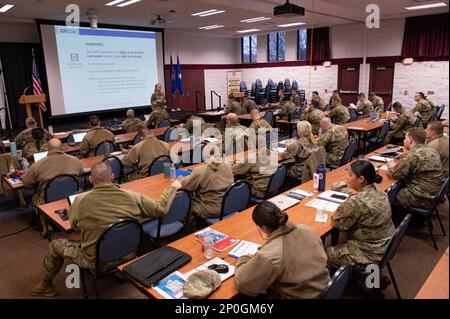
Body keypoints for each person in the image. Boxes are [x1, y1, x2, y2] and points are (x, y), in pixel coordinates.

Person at [30, 161, 181, 297]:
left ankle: (45, 285)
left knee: (55, 245)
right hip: (129, 255)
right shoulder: (133, 196)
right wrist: (172, 187)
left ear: (90, 179)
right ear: (113, 176)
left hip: (96, 261)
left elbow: (75, 227)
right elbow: (160, 209)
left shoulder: (80, 202)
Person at [234, 201, 330, 298]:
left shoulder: (270, 255)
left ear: (263, 227)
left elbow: (243, 283)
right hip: (325, 290)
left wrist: (244, 258)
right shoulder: (307, 229)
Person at [326, 160, 395, 270]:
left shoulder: (357, 202)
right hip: (385, 246)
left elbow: (336, 222)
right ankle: (374, 279)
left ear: (361, 179)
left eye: (350, 175)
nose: (347, 178)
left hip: (369, 254)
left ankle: (338, 284)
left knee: (323, 255)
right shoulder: (380, 191)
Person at [387, 128, 443, 210]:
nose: (403, 141)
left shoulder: (413, 155)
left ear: (410, 140)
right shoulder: (431, 150)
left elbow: (394, 174)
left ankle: (398, 219)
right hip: (432, 194)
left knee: (388, 194)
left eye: (405, 138)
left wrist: (390, 166)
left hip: (420, 198)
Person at [22, 139, 84, 206]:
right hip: (72, 197)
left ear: (48, 149)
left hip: (46, 200)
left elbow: (26, 183)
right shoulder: (76, 161)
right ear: (62, 147)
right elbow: (81, 174)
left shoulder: (37, 165)